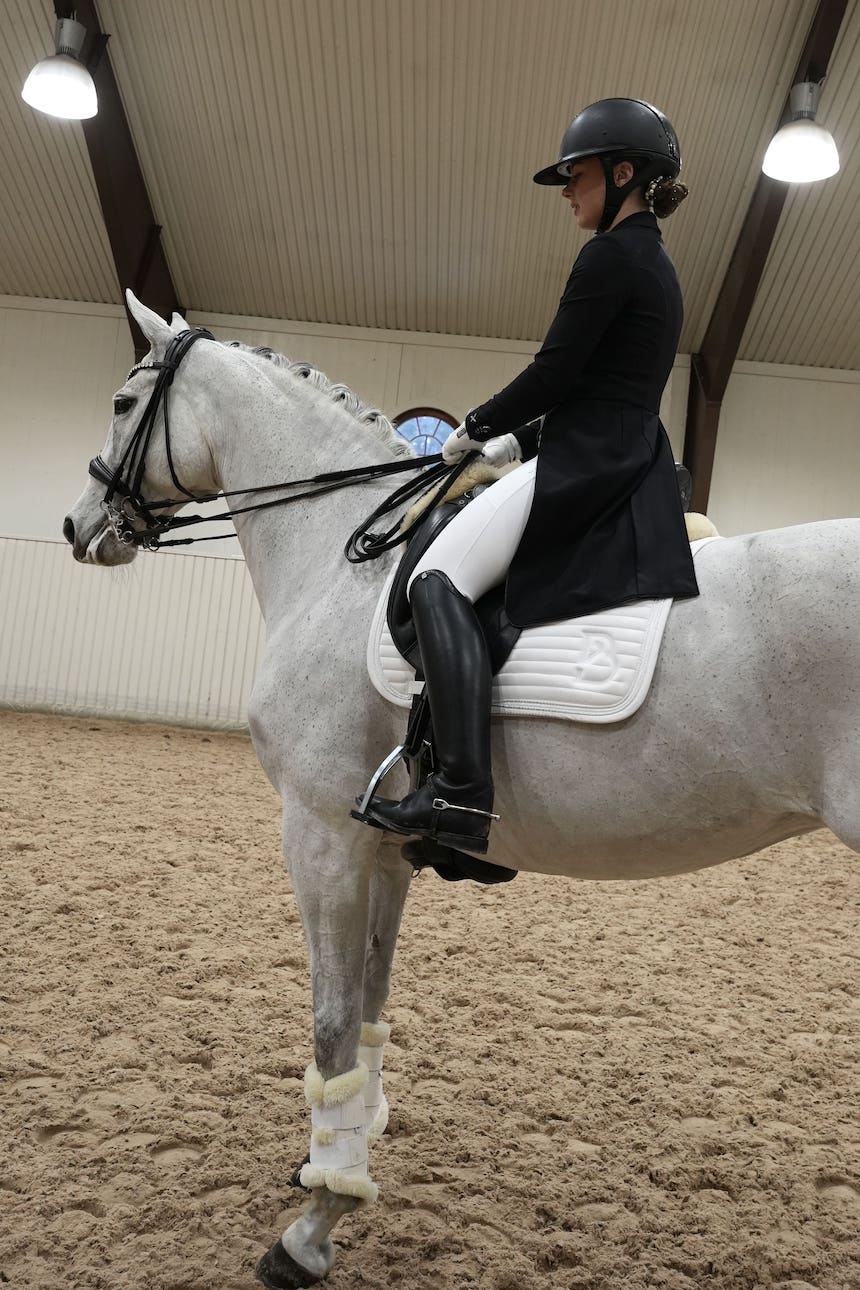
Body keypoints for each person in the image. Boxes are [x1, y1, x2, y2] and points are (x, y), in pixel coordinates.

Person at [359, 97, 699, 857]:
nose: (568, 192)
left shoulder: (610, 255)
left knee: (435, 579)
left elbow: (557, 370)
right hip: (614, 447)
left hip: (588, 462)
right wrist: (516, 442)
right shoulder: (653, 262)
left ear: (622, 173)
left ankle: (460, 796)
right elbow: (600, 385)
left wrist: (475, 427)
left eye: (576, 176)